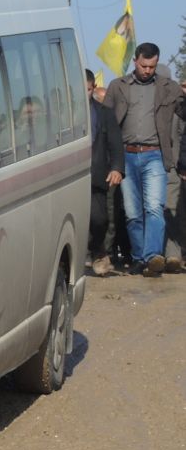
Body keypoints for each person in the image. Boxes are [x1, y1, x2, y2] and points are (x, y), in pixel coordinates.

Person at [104, 42, 185, 277]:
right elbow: (106, 123)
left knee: (154, 208)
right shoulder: (117, 87)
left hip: (155, 156)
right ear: (135, 61)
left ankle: (151, 257)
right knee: (132, 213)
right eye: (144, 65)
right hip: (126, 156)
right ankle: (140, 258)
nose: (148, 70)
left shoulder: (168, 88)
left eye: (152, 66)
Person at [87, 69, 124, 277]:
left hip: (96, 175)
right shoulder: (61, 113)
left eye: (88, 89)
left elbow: (115, 143)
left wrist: (117, 167)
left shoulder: (104, 113)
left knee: (99, 219)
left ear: (92, 88)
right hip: (68, 177)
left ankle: (98, 249)